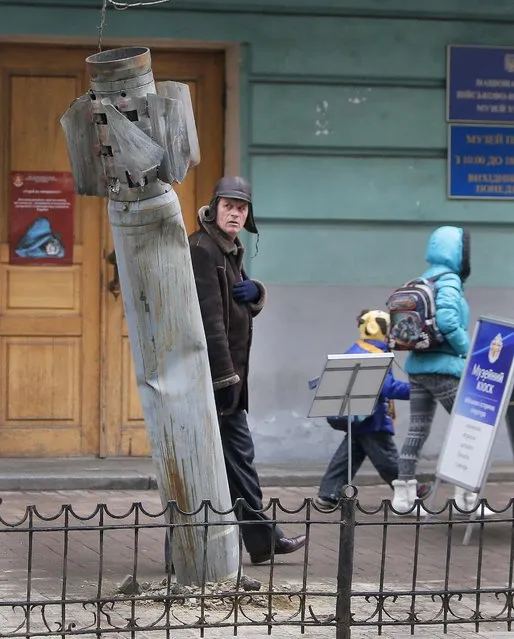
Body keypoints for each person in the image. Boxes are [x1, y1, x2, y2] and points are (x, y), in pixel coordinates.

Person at [188, 176, 306, 564]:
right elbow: (210, 321)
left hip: (229, 380)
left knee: (232, 461)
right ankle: (258, 539)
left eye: (242, 208)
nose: (236, 212)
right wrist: (223, 379)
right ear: (214, 206)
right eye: (229, 206)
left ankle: (259, 540)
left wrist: (256, 292)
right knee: (230, 459)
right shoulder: (203, 249)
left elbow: (234, 305)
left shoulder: (228, 249)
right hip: (217, 380)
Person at [391, 226, 492, 515]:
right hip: (446, 369)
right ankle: (467, 500)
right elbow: (448, 321)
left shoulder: (423, 278)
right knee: (470, 429)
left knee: (417, 430)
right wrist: (467, 350)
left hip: (418, 367)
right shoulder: (448, 281)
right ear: (458, 253)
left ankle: (404, 498)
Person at [315, 310, 430, 511]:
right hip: (372, 417)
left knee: (348, 455)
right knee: (386, 457)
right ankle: (409, 487)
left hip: (358, 415)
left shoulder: (356, 349)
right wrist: (417, 390)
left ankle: (328, 493)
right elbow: (387, 387)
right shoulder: (376, 355)